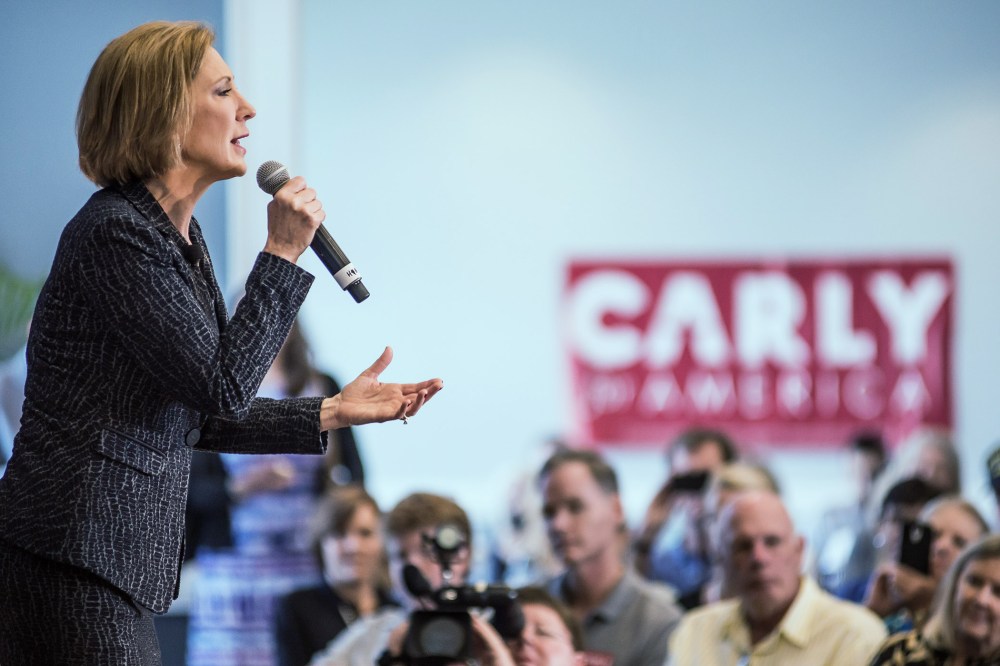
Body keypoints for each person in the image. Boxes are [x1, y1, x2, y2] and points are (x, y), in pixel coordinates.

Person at [0, 21, 442, 665]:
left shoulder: (177, 239)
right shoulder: (116, 234)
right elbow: (224, 389)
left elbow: (201, 413)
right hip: (69, 554)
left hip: (103, 564)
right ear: (163, 113)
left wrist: (331, 410)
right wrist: (282, 251)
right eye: (225, 91)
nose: (249, 109)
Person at [668, 491, 887, 666]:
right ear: (722, 559)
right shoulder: (695, 631)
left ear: (799, 551)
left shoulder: (854, 636)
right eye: (743, 546)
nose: (758, 558)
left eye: (772, 542)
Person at [539, 448, 682, 666]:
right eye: (549, 512)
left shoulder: (658, 623)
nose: (558, 524)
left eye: (575, 507)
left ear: (616, 509)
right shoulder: (530, 610)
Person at [309, 492, 473, 666]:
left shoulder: (487, 632)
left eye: (427, 552)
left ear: (464, 556)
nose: (412, 566)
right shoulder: (375, 633)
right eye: (401, 555)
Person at [274, 486, 396, 666]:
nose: (353, 547)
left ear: (383, 542)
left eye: (365, 533)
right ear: (320, 543)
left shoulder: (397, 610)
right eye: (339, 534)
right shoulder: (297, 608)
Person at [634, 428, 737, 598]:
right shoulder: (664, 561)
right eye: (686, 481)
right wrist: (647, 536)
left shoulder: (749, 549)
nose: (696, 495)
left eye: (705, 480)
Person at [868, 534, 1000, 666]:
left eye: (998, 591)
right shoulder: (901, 652)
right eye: (974, 582)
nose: (981, 599)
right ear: (954, 585)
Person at [865, 496, 989, 634]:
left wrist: (931, 604)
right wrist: (874, 613)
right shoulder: (894, 605)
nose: (942, 546)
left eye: (959, 542)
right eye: (934, 535)